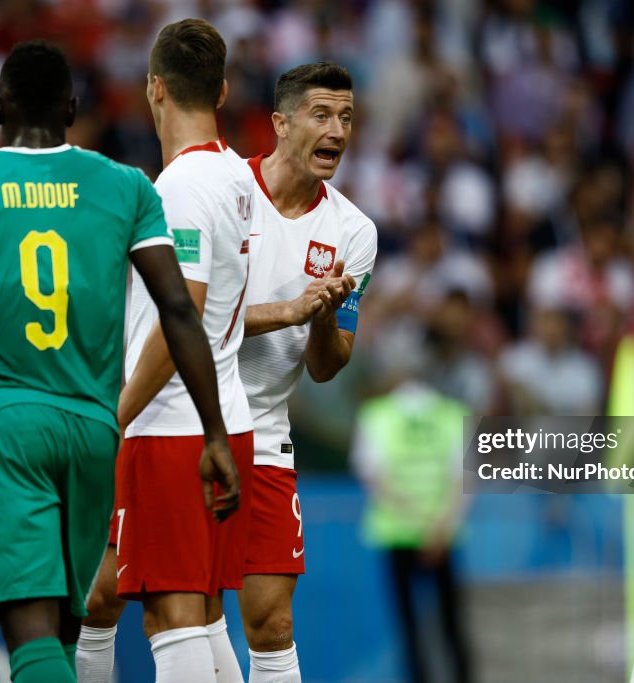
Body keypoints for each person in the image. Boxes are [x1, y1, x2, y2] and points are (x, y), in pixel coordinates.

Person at [0, 41, 239, 683]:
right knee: (64, 643)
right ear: (72, 108)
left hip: (7, 429)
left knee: (34, 646)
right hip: (95, 436)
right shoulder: (126, 187)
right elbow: (180, 312)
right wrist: (214, 431)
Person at [75, 19, 254, 683]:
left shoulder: (177, 189)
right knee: (195, 611)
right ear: (223, 89)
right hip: (222, 419)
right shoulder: (238, 177)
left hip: (170, 426)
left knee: (172, 614)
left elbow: (187, 311)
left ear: (155, 90)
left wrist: (114, 415)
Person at [235, 61, 377, 682]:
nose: (337, 130)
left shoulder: (354, 232)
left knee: (273, 622)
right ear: (280, 123)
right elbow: (182, 322)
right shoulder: (222, 196)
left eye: (346, 117)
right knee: (133, 601)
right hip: (181, 416)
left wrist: (320, 314)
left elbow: (326, 366)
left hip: (266, 430)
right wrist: (289, 309)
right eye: (321, 115)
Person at [350, 371, 472, 683]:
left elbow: (375, 479)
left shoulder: (376, 415)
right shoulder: (453, 414)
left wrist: (420, 524)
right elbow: (465, 480)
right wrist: (437, 527)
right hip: (442, 537)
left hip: (398, 533)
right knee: (452, 625)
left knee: (411, 627)